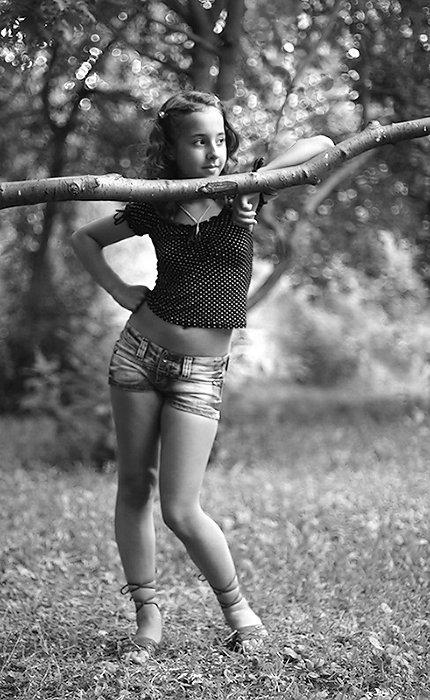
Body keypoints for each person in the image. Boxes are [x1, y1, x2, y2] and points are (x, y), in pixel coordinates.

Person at [71, 90, 334, 662]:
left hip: (199, 373)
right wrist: (118, 289)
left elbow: (321, 144)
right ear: (170, 148)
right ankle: (147, 614)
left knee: (180, 508)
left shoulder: (246, 191)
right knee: (133, 487)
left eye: (220, 139)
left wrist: (254, 181)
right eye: (197, 141)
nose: (213, 152)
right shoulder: (155, 204)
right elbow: (84, 239)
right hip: (137, 355)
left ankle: (238, 612)